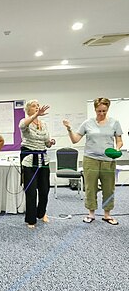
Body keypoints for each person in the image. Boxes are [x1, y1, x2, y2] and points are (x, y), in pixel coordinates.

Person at [63, 97, 123, 225]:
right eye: (99, 111)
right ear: (95, 109)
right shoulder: (87, 123)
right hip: (90, 160)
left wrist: (117, 149)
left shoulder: (115, 123)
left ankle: (107, 214)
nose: (101, 114)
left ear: (108, 109)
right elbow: (75, 140)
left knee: (109, 188)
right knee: (91, 188)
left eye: (104, 111)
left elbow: (119, 140)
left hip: (108, 160)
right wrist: (69, 129)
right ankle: (91, 213)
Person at [19, 100, 55, 229]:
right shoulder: (24, 121)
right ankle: (31, 219)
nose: (37, 108)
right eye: (34, 106)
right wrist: (35, 115)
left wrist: (50, 142)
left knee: (45, 189)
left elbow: (46, 142)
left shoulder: (43, 124)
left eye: (38, 106)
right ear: (28, 109)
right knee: (31, 191)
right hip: (29, 159)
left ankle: (42, 213)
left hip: (43, 158)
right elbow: (23, 126)